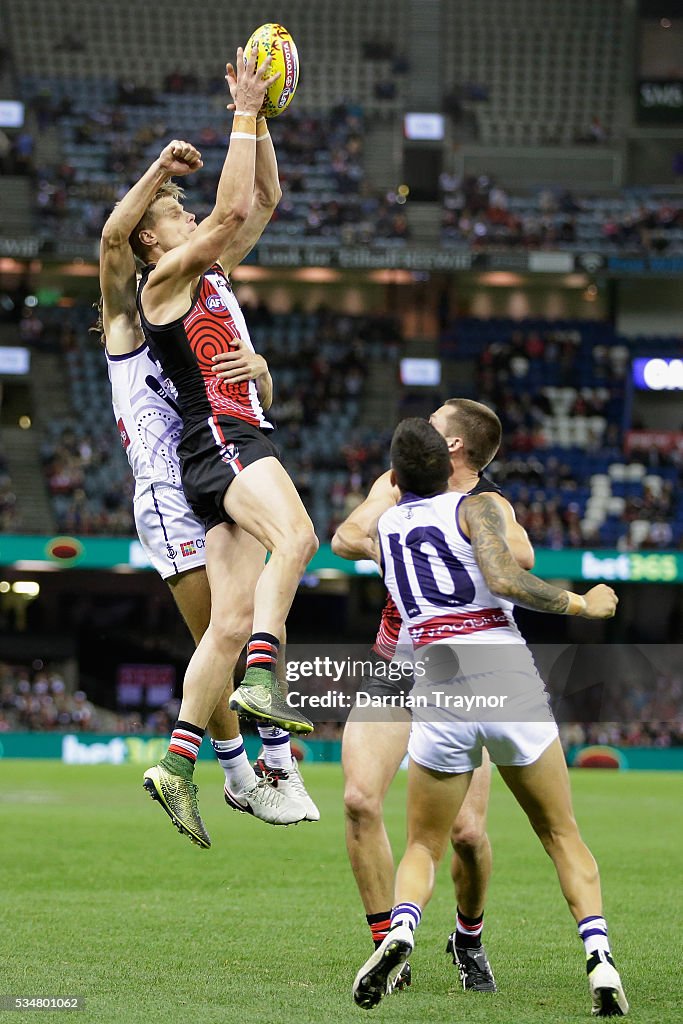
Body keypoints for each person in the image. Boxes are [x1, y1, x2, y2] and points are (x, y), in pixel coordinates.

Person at [352, 419, 628, 1018]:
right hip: (502, 670)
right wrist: (584, 603)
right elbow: (505, 576)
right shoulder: (474, 509)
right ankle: (599, 956)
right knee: (561, 834)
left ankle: (401, 928)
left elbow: (352, 538)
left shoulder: (387, 524)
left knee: (423, 844)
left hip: (437, 679)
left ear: (396, 477)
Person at [98, 137, 318, 847]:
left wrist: (257, 370)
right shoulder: (134, 313)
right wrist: (160, 170)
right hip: (172, 484)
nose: (189, 221)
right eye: (173, 216)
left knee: (229, 628)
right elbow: (111, 237)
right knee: (218, 636)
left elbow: (255, 207)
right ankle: (242, 771)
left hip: (209, 462)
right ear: (148, 238)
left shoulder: (197, 293)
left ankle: (241, 769)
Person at [332, 399, 533, 992]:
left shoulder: (487, 504)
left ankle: (467, 938)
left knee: (468, 835)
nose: (423, 421)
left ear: (456, 448)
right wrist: (391, 547)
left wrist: (450, 544)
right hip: (397, 666)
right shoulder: (396, 484)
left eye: (438, 420)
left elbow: (521, 558)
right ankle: (386, 950)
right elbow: (346, 535)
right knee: (358, 800)